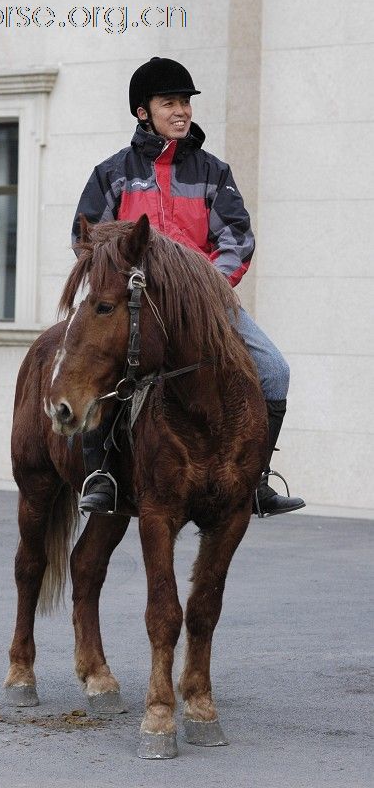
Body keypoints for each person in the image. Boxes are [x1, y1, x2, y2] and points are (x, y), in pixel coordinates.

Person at [71, 56, 305, 518]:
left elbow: (237, 236)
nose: (182, 111)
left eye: (186, 103)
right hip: (131, 302)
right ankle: (102, 475)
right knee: (86, 367)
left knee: (275, 370)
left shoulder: (213, 172)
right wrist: (115, 277)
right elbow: (86, 238)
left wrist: (209, 287)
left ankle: (256, 479)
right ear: (143, 111)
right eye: (170, 103)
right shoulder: (111, 173)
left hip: (205, 303)